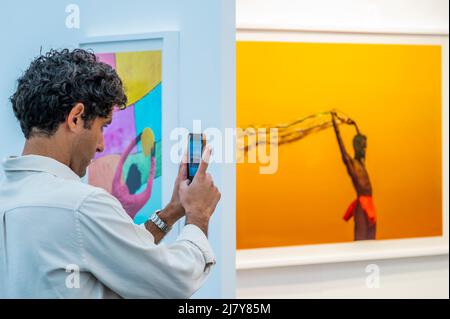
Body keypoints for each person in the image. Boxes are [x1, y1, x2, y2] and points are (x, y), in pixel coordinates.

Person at [0, 49, 221, 298]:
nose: (101, 146)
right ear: (75, 118)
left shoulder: (10, 195)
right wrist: (198, 215)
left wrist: (171, 212)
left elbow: (119, 250)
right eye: (102, 127)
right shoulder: (81, 206)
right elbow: (176, 280)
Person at [330, 112, 376, 240]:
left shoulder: (361, 163)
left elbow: (359, 137)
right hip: (362, 205)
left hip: (369, 203)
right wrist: (336, 127)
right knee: (361, 238)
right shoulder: (351, 163)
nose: (365, 150)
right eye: (363, 147)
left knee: (371, 238)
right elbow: (342, 149)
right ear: (358, 147)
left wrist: (354, 125)